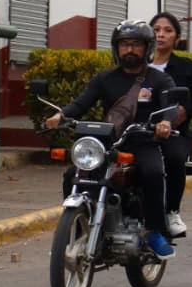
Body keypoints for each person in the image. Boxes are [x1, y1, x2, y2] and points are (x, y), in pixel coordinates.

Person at [46, 21, 180, 260]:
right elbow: (81, 102)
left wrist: (166, 123)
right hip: (108, 143)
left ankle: (154, 231)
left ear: (147, 48)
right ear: (116, 48)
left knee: (152, 172)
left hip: (142, 142)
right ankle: (78, 228)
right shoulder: (105, 78)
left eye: (136, 44)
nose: (129, 50)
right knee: (72, 174)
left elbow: (170, 107)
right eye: (124, 44)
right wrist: (61, 116)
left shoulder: (160, 80)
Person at [148, 12, 192, 237]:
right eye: (156, 30)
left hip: (174, 132)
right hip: (140, 132)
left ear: (177, 38)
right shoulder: (137, 66)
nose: (161, 35)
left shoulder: (186, 67)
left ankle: (172, 211)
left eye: (167, 31)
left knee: (175, 158)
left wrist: (187, 111)